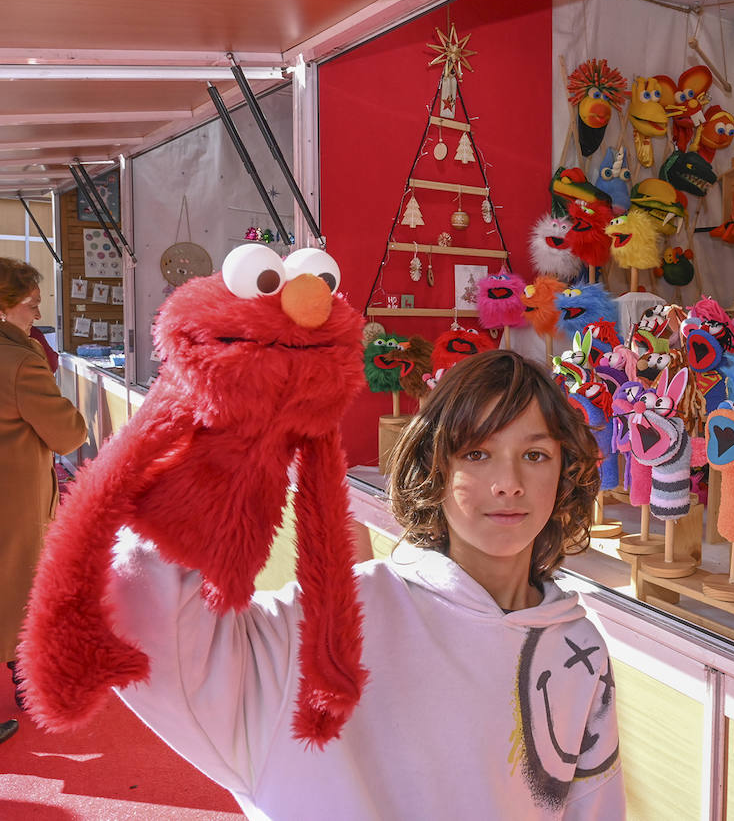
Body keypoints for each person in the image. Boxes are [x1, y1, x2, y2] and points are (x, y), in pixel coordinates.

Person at [108, 349, 625, 818]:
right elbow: (148, 620)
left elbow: (593, 809)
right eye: (476, 453)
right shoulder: (331, 622)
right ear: (433, 467)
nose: (508, 481)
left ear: (564, 474)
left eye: (535, 455)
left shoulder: (578, 645)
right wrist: (224, 423)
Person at [0, 258, 88, 745]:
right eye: (30, 305)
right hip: (11, 498)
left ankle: (28, 679)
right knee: (17, 592)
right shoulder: (19, 360)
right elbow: (67, 432)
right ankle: (32, 682)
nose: (36, 314)